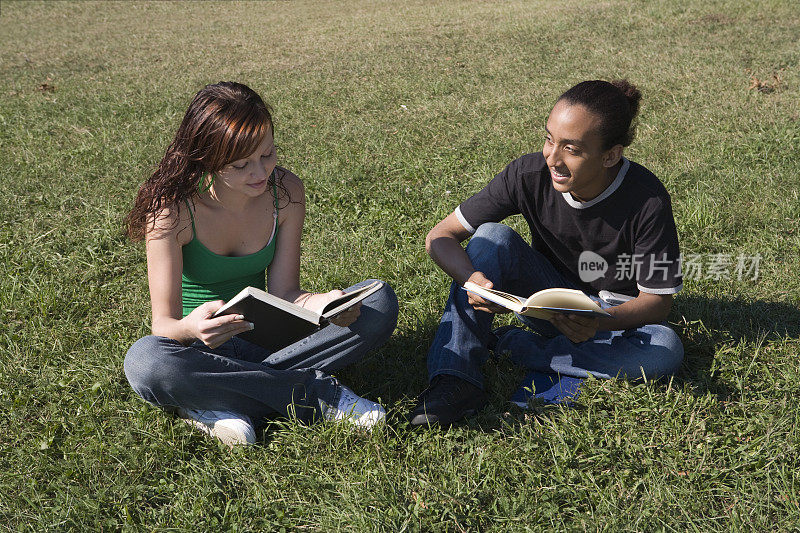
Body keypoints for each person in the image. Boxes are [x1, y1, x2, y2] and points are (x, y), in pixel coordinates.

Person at [123, 82, 398, 446]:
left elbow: (286, 292)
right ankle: (317, 394)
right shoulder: (172, 211)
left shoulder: (285, 191)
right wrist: (192, 329)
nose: (260, 173)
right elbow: (164, 325)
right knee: (146, 361)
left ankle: (215, 398)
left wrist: (326, 305)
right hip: (198, 348)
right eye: (241, 165)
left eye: (267, 155)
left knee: (379, 301)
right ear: (206, 158)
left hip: (266, 340)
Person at [409, 80, 684, 426]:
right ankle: (454, 379)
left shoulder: (648, 200)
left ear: (611, 155)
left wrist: (598, 318)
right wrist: (472, 280)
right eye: (549, 139)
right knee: (492, 236)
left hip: (611, 320)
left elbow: (657, 302)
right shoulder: (527, 175)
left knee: (664, 348)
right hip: (544, 304)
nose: (552, 158)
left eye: (571, 148)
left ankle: (515, 347)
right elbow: (440, 236)